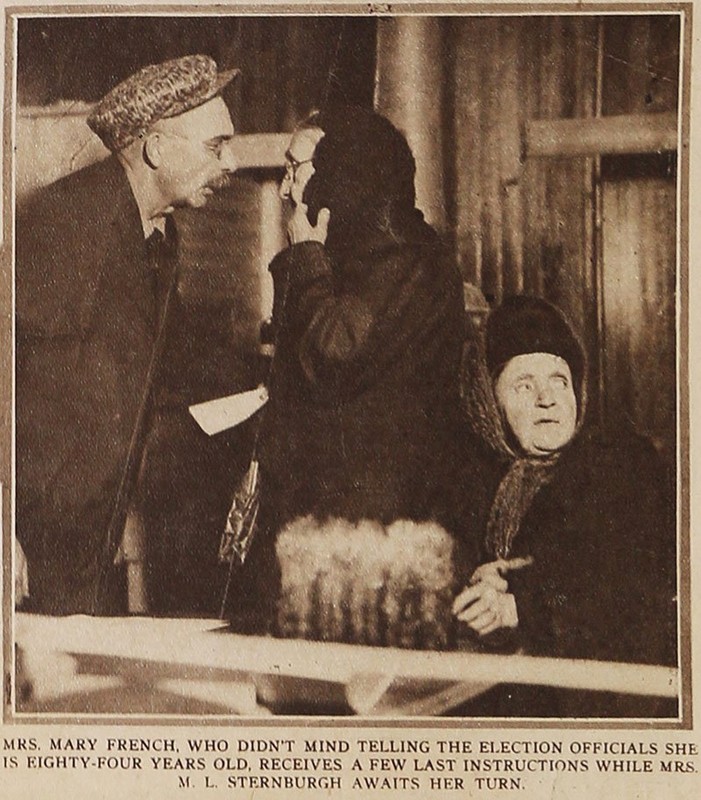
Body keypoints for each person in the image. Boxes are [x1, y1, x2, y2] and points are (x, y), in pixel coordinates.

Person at [231, 105, 473, 627]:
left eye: (297, 169)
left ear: (347, 172)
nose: (286, 190)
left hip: (371, 542)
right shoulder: (356, 255)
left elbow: (333, 358)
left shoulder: (408, 262)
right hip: (325, 533)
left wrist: (306, 259)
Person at [15, 54, 239, 615]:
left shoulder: (157, 236)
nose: (230, 163)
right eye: (216, 146)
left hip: (91, 528)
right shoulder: (64, 222)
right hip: (32, 537)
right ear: (156, 149)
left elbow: (174, 367)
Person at [452, 294, 677, 716]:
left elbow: (625, 577)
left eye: (559, 380)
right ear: (489, 403)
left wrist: (519, 605)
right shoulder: (491, 482)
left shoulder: (620, 464)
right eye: (524, 385)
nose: (546, 399)